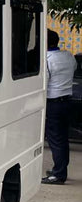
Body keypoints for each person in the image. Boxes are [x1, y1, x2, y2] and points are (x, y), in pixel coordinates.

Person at [42, 29, 76, 185]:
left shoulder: (47, 60)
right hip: (67, 101)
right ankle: (60, 169)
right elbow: (73, 69)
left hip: (53, 103)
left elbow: (44, 83)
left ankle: (58, 174)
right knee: (62, 138)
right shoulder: (68, 56)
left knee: (55, 139)